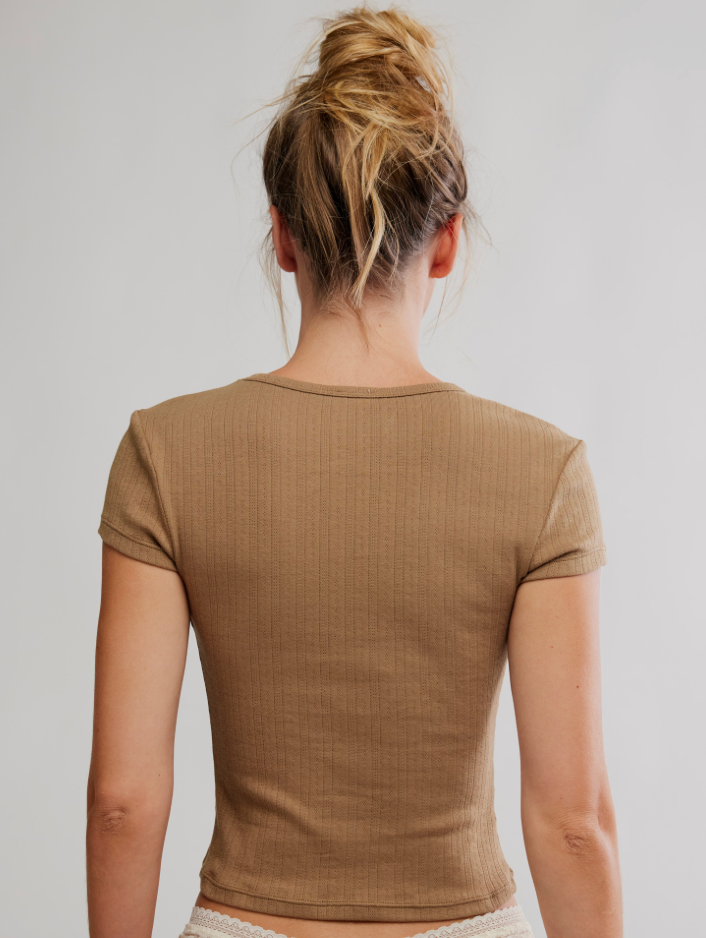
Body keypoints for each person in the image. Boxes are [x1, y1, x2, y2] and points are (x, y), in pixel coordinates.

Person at [86, 7, 623, 938]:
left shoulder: (164, 452)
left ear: (284, 237)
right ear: (446, 243)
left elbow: (121, 804)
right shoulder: (544, 473)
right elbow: (574, 825)